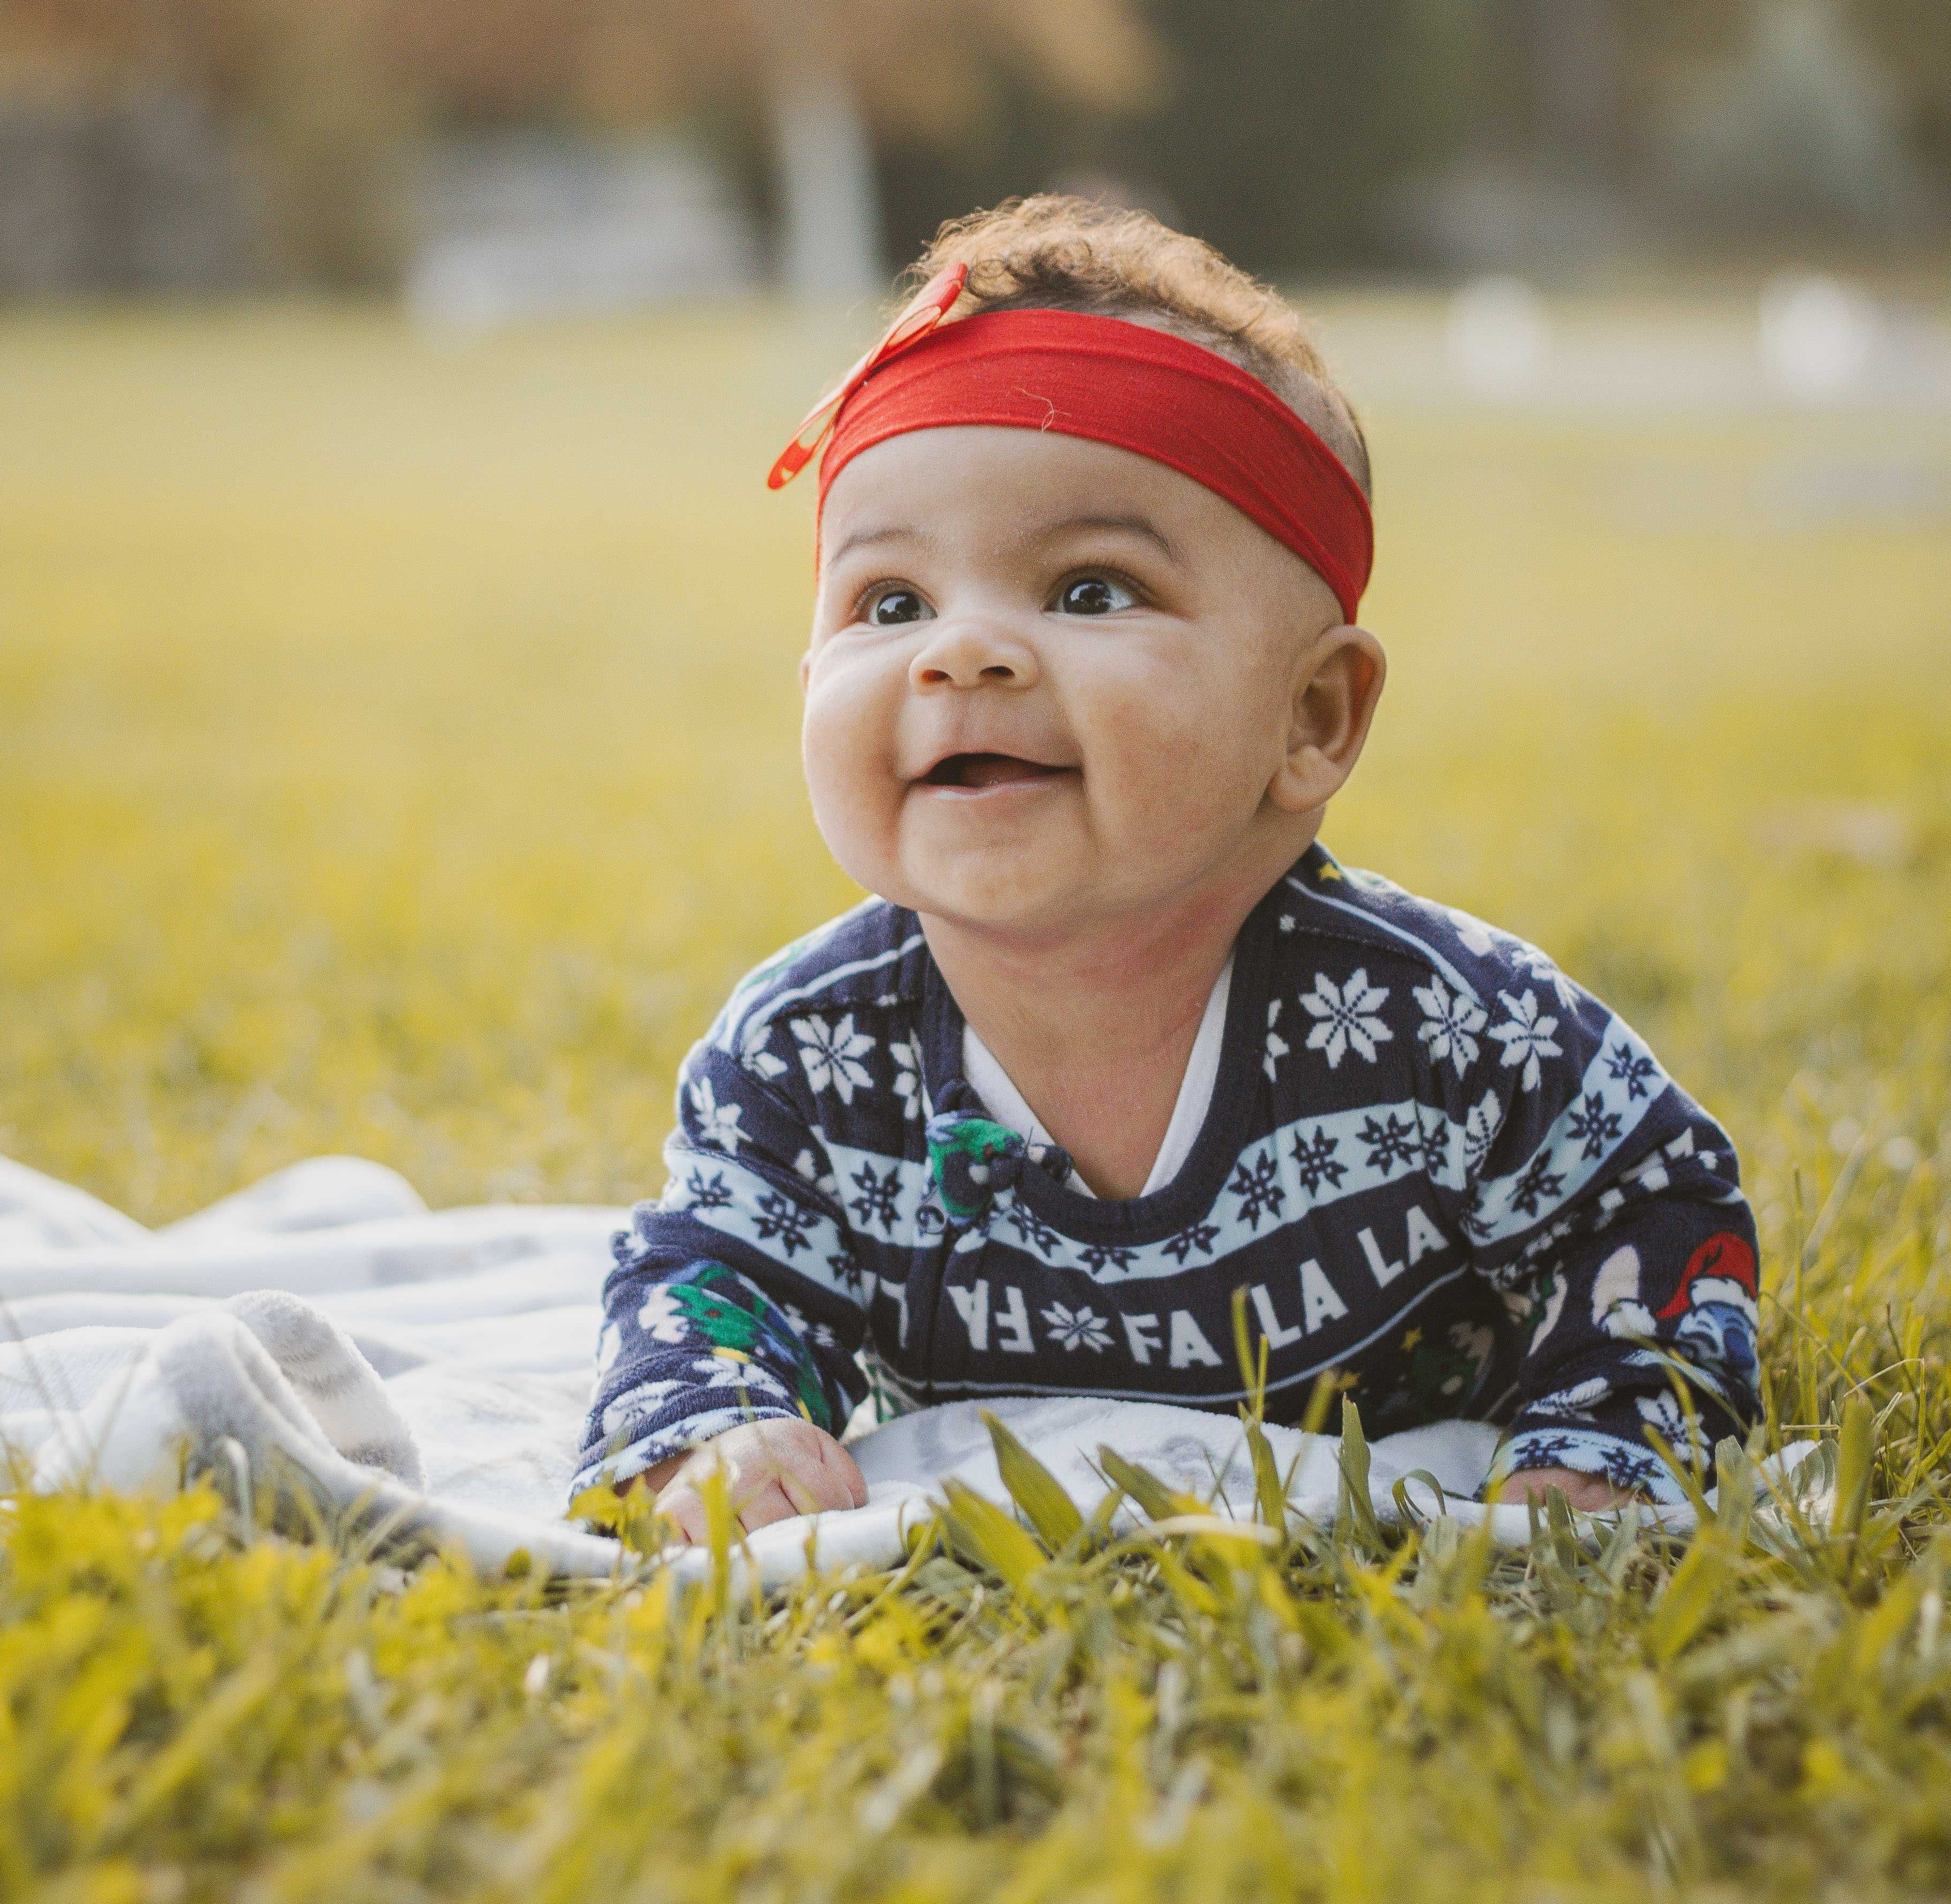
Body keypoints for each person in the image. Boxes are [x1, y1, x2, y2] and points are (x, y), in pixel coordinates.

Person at [571, 196, 1760, 1541]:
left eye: (1087, 590)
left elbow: (1652, 1215)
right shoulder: (807, 1056)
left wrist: (1603, 1432)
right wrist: (718, 1417)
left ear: (1310, 718)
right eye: (889, 604)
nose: (960, 652)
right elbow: (713, 1270)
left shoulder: (1446, 1031)